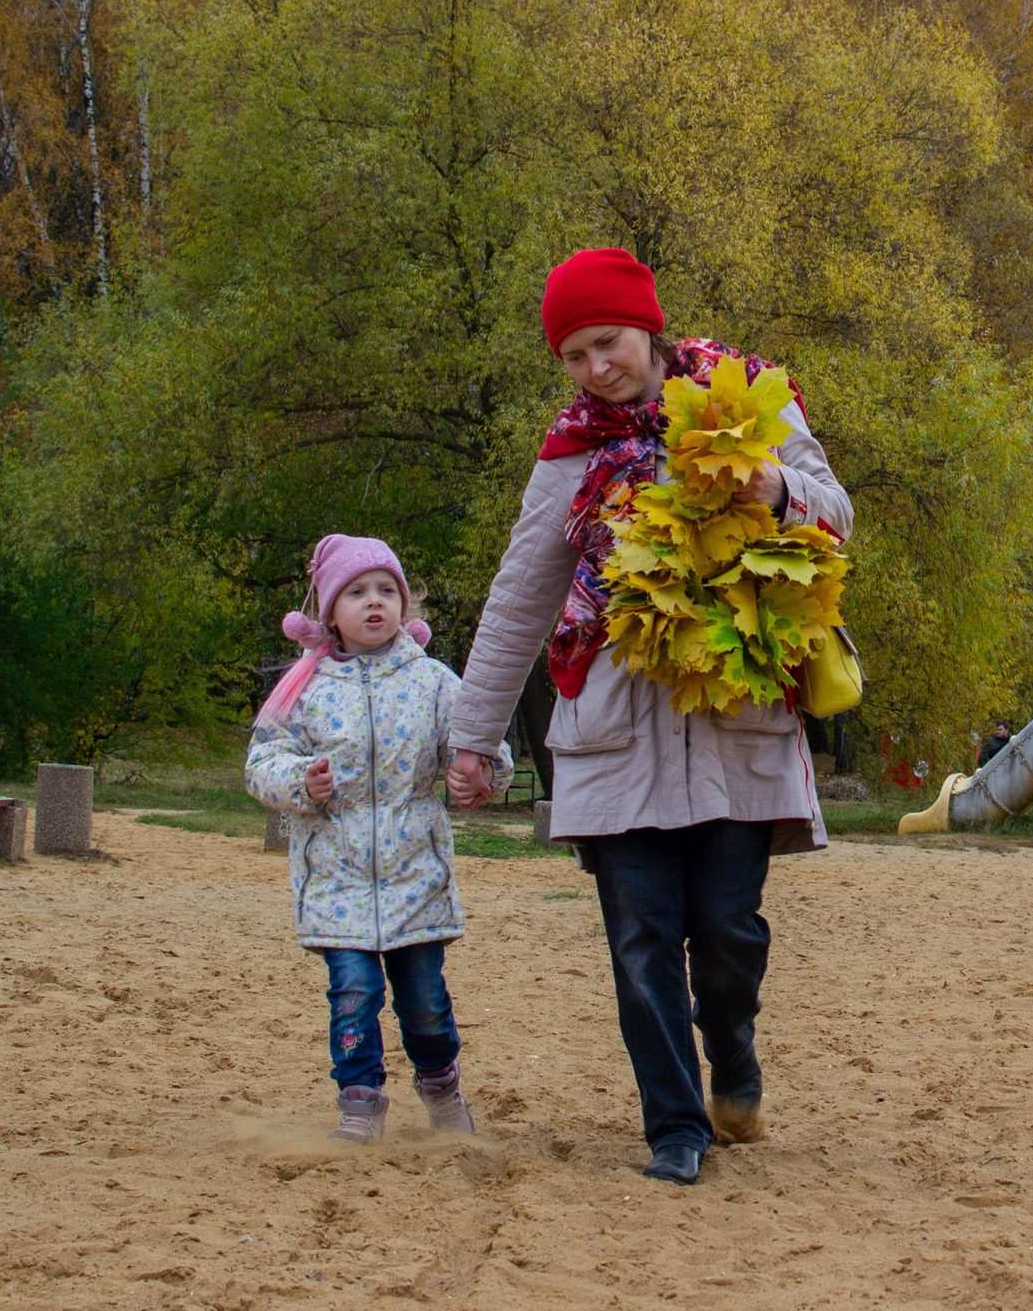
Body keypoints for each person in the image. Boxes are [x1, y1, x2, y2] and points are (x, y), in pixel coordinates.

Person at [447, 247, 851, 1187]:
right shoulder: (568, 456)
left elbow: (838, 512)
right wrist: (474, 736)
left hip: (734, 716)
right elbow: (518, 597)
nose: (596, 369)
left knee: (726, 933)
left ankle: (734, 1057)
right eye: (576, 355)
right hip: (612, 727)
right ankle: (673, 1126)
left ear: (648, 328)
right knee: (639, 940)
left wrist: (776, 488)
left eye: (609, 343)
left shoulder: (747, 399)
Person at [247, 534, 506, 1145]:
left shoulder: (432, 682)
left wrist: (479, 772)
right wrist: (299, 780)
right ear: (329, 612)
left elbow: (481, 741)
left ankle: (442, 1089)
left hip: (415, 871)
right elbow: (262, 761)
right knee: (353, 996)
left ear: (404, 606)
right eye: (356, 592)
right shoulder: (304, 688)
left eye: (387, 591)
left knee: (423, 1001)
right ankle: (359, 1102)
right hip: (336, 876)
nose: (374, 603)